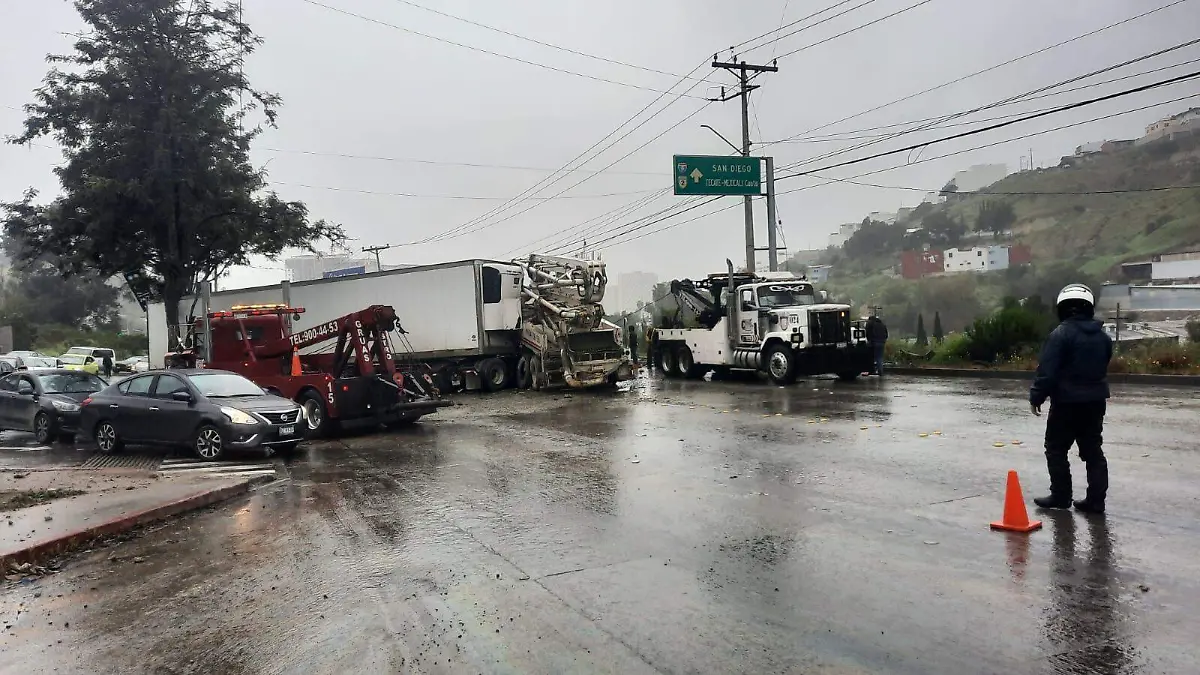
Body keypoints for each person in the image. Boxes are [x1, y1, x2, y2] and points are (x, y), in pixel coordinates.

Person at [1030, 284, 1113, 514]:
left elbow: (1047, 371)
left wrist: (1037, 396)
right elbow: (1104, 364)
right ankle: (1096, 501)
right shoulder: (1103, 337)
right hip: (1096, 402)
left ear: (1062, 308)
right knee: (1093, 451)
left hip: (1066, 403)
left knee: (1056, 449)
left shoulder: (1060, 334)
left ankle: (1061, 495)